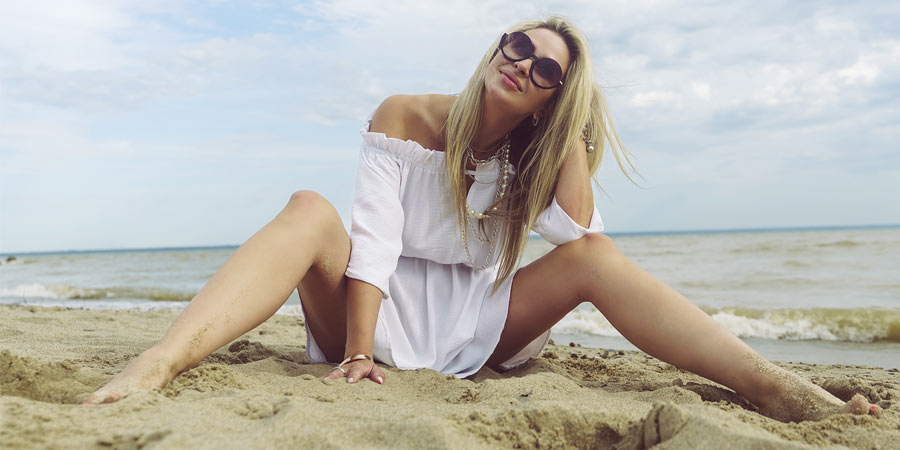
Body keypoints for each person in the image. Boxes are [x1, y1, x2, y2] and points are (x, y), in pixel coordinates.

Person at [85, 16, 881, 423]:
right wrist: (360, 353)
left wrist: (567, 136)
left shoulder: (536, 154)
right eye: (517, 46)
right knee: (310, 209)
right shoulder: (405, 114)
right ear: (496, 47)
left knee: (598, 262)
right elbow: (376, 243)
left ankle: (769, 383)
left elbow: (583, 239)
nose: (521, 63)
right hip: (376, 310)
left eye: (545, 71)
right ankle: (160, 362)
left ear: (550, 96)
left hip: (473, 328)